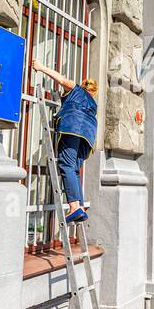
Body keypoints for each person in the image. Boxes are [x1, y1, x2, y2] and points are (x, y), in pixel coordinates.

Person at [32, 61, 98, 223]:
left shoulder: (76, 90)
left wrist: (41, 67)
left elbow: (61, 80)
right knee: (74, 169)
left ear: (83, 87)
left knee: (66, 165)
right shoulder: (93, 104)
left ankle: (74, 207)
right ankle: (80, 206)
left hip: (72, 127)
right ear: (94, 92)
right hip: (88, 136)